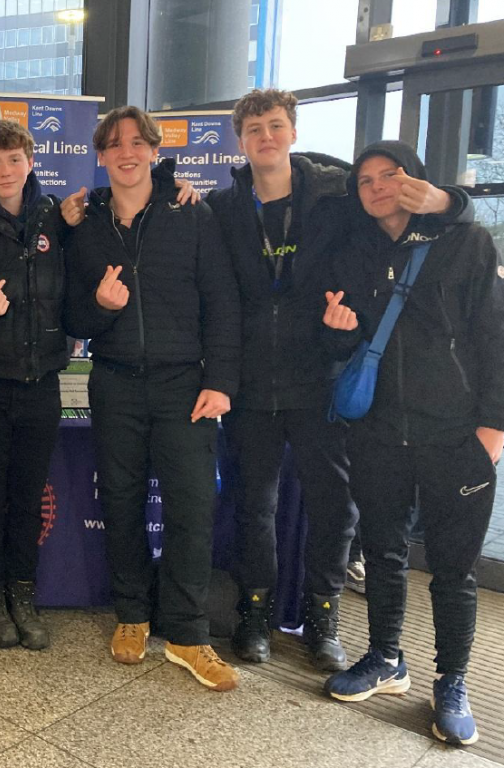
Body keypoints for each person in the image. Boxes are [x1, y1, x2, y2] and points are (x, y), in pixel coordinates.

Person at [206, 89, 468, 671]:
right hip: (250, 384)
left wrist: (451, 198)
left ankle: (322, 617)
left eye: (276, 125)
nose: (266, 137)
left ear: (293, 132)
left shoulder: (335, 197)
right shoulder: (223, 208)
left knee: (333, 507)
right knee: (253, 506)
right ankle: (254, 614)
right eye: (254, 129)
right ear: (240, 141)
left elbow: (408, 210)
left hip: (321, 381)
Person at [322, 140, 504, 747]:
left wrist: (494, 428)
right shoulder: (355, 253)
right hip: (379, 431)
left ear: (417, 181)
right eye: (365, 180)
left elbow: (496, 339)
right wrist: (338, 332)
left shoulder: (466, 243)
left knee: (454, 569)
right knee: (383, 552)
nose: (377, 186)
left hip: (456, 434)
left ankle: (452, 679)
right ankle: (385, 658)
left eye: (390, 175)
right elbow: (348, 346)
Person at [63, 105, 241, 691]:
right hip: (114, 381)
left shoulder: (191, 212)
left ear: (154, 151)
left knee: (191, 507)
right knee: (121, 502)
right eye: (115, 144)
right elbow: (73, 316)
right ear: (100, 155)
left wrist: (221, 381)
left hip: (184, 385)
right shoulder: (86, 221)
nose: (127, 153)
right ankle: (133, 616)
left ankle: (188, 634)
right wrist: (100, 308)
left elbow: (222, 301)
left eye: (138, 142)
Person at [0, 120, 86, 650]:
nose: (5, 170)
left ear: (30, 162)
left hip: (43, 382)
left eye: (13, 159)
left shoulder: (58, 221)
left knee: (29, 498)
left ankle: (22, 595)